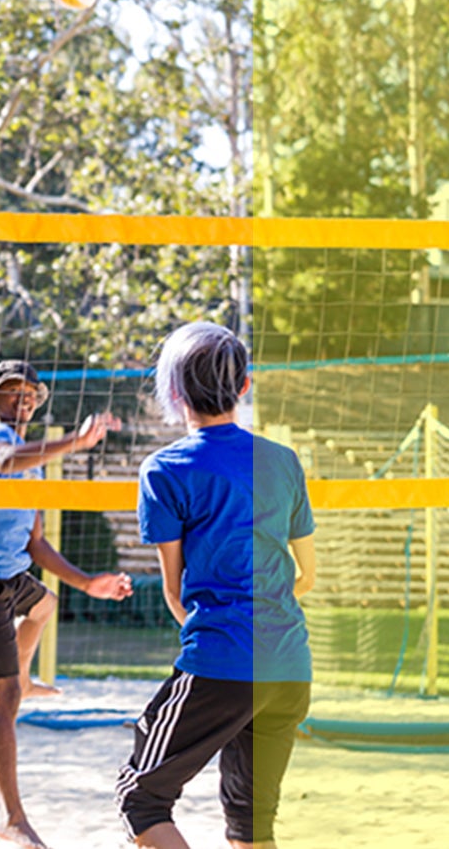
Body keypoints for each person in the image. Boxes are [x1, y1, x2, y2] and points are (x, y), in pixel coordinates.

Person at [116, 322, 315, 848]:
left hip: (224, 660)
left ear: (174, 393)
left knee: (140, 798)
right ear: (244, 385)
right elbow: (306, 576)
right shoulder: (283, 461)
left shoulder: (164, 469)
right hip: (291, 666)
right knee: (252, 823)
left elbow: (176, 596)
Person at [0, 358, 133, 849]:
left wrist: (90, 584)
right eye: (10, 391)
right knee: (3, 700)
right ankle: (11, 818)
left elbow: (36, 544)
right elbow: (4, 461)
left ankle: (21, 677)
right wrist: (77, 443)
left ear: (38, 401)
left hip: (6, 572)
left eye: (28, 392)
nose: (20, 398)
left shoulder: (35, 461)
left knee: (44, 606)